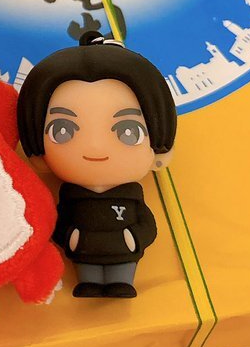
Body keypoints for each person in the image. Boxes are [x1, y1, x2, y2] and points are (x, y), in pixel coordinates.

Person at [17, 32, 177, 298]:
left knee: (123, 275)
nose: (94, 147)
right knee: (87, 277)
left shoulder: (132, 197)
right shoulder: (70, 198)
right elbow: (57, 221)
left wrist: (134, 238)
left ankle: (122, 281)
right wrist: (69, 237)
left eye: (128, 131)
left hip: (125, 250)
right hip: (83, 251)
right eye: (62, 130)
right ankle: (89, 281)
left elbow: (146, 222)